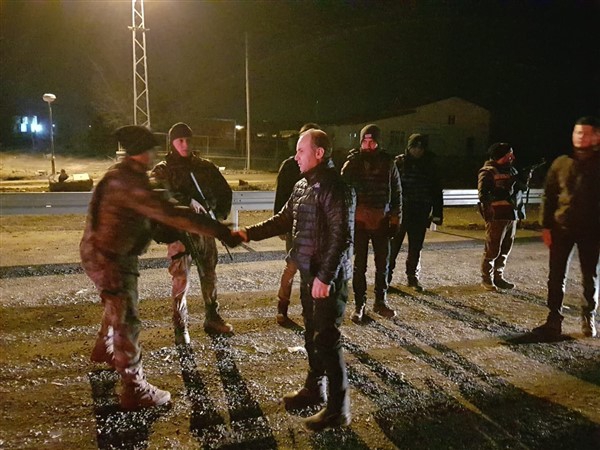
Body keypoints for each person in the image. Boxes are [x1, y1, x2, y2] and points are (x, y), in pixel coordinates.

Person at [80, 125, 240, 410]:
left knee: (115, 302)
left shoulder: (119, 174)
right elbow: (171, 213)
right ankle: (135, 388)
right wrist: (220, 230)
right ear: (142, 152)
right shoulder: (133, 182)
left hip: (99, 253)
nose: (155, 155)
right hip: (113, 258)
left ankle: (104, 348)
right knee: (127, 317)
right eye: (151, 150)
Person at [236, 128, 355, 432]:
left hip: (328, 278)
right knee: (312, 335)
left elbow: (342, 236)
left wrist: (326, 277)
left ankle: (338, 409)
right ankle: (314, 390)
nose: (296, 156)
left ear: (319, 153)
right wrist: (248, 233)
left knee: (327, 339)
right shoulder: (302, 185)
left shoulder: (336, 188)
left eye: (301, 150)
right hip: (308, 273)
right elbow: (283, 219)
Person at [151, 122, 234, 340]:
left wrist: (217, 216)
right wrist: (187, 200)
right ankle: (180, 326)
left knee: (209, 275)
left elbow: (225, 192)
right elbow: (157, 194)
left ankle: (212, 317)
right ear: (172, 142)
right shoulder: (164, 169)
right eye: (180, 140)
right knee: (181, 279)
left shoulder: (205, 167)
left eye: (188, 140)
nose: (185, 144)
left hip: (205, 232)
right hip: (180, 233)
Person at [533, 116, 600, 339]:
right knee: (556, 275)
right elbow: (549, 195)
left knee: (590, 275)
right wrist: (545, 226)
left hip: (592, 230)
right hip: (561, 229)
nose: (580, 137)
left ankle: (588, 315)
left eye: (585, 133)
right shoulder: (561, 163)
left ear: (597, 136)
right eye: (577, 132)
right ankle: (554, 319)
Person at [341, 124, 402, 322]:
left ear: (378, 142)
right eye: (365, 141)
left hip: (381, 220)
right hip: (359, 222)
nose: (368, 145)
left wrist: (395, 218)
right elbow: (342, 191)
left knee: (383, 264)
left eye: (372, 141)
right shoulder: (352, 163)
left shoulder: (388, 163)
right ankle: (360, 304)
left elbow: (397, 192)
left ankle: (380, 301)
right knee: (359, 265)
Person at [273, 122, 320, 325]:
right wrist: (281, 225)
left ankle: (308, 310)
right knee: (291, 268)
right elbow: (280, 196)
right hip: (293, 226)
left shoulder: (322, 167)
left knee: (310, 271)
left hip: (314, 229)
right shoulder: (290, 165)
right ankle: (282, 307)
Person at [388, 134, 443, 292]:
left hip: (420, 211)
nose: (417, 150)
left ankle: (412, 277)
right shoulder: (399, 163)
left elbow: (436, 190)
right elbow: (390, 187)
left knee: (415, 247)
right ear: (409, 147)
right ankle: (386, 277)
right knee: (393, 247)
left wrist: (437, 213)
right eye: (414, 147)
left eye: (421, 147)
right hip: (401, 212)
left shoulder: (430, 165)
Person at [477, 142, 529, 291]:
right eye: (509, 154)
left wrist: (524, 178)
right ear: (501, 156)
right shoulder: (488, 171)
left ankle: (498, 277)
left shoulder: (512, 170)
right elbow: (483, 195)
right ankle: (487, 279)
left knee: (506, 248)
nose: (513, 157)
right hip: (497, 215)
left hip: (511, 214)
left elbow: (521, 189)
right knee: (493, 248)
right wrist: (502, 192)